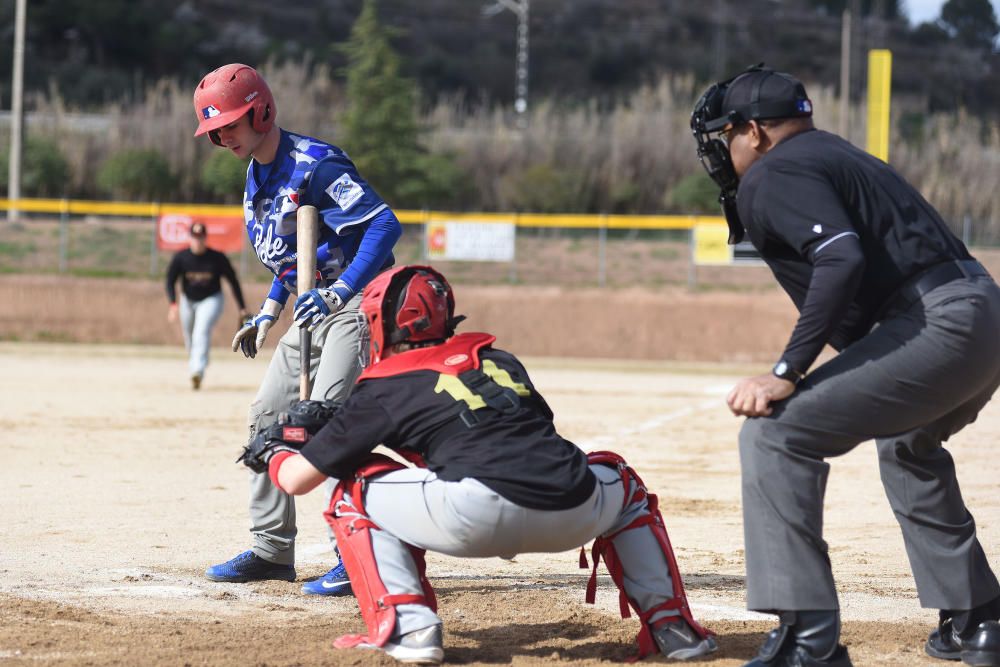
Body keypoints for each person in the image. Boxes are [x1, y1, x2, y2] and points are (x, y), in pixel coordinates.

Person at [237, 265, 717, 665]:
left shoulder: (381, 385)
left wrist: (276, 446)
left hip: (476, 516)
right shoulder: (501, 361)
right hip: (574, 507)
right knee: (624, 482)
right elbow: (515, 430)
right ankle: (672, 626)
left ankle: (411, 628)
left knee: (351, 491)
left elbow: (298, 480)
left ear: (387, 322)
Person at [690, 65, 1000, 667]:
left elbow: (839, 258)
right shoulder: (839, 154)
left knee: (774, 434)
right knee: (907, 443)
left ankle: (809, 640)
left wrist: (786, 370)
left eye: (727, 136)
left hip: (937, 322)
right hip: (982, 314)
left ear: (754, 131)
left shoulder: (773, 171)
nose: (725, 151)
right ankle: (978, 620)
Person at [192, 63, 402, 596]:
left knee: (329, 421)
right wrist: (267, 313)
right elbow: (293, 260)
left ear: (262, 110)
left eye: (232, 124)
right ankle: (271, 548)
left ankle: (355, 555)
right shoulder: (256, 176)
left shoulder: (317, 165)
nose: (223, 137)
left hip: (356, 304)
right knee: (267, 414)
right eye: (215, 131)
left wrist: (338, 292)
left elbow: (383, 224)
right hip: (312, 307)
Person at [165, 221, 249, 390]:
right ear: (190, 238)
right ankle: (199, 359)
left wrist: (242, 307)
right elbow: (170, 280)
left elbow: (233, 281)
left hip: (212, 299)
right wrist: (173, 303)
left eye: (201, 237)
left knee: (201, 331)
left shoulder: (217, 258)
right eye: (195, 237)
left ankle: (197, 371)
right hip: (187, 300)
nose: (198, 241)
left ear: (205, 238)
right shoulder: (181, 257)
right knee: (189, 335)